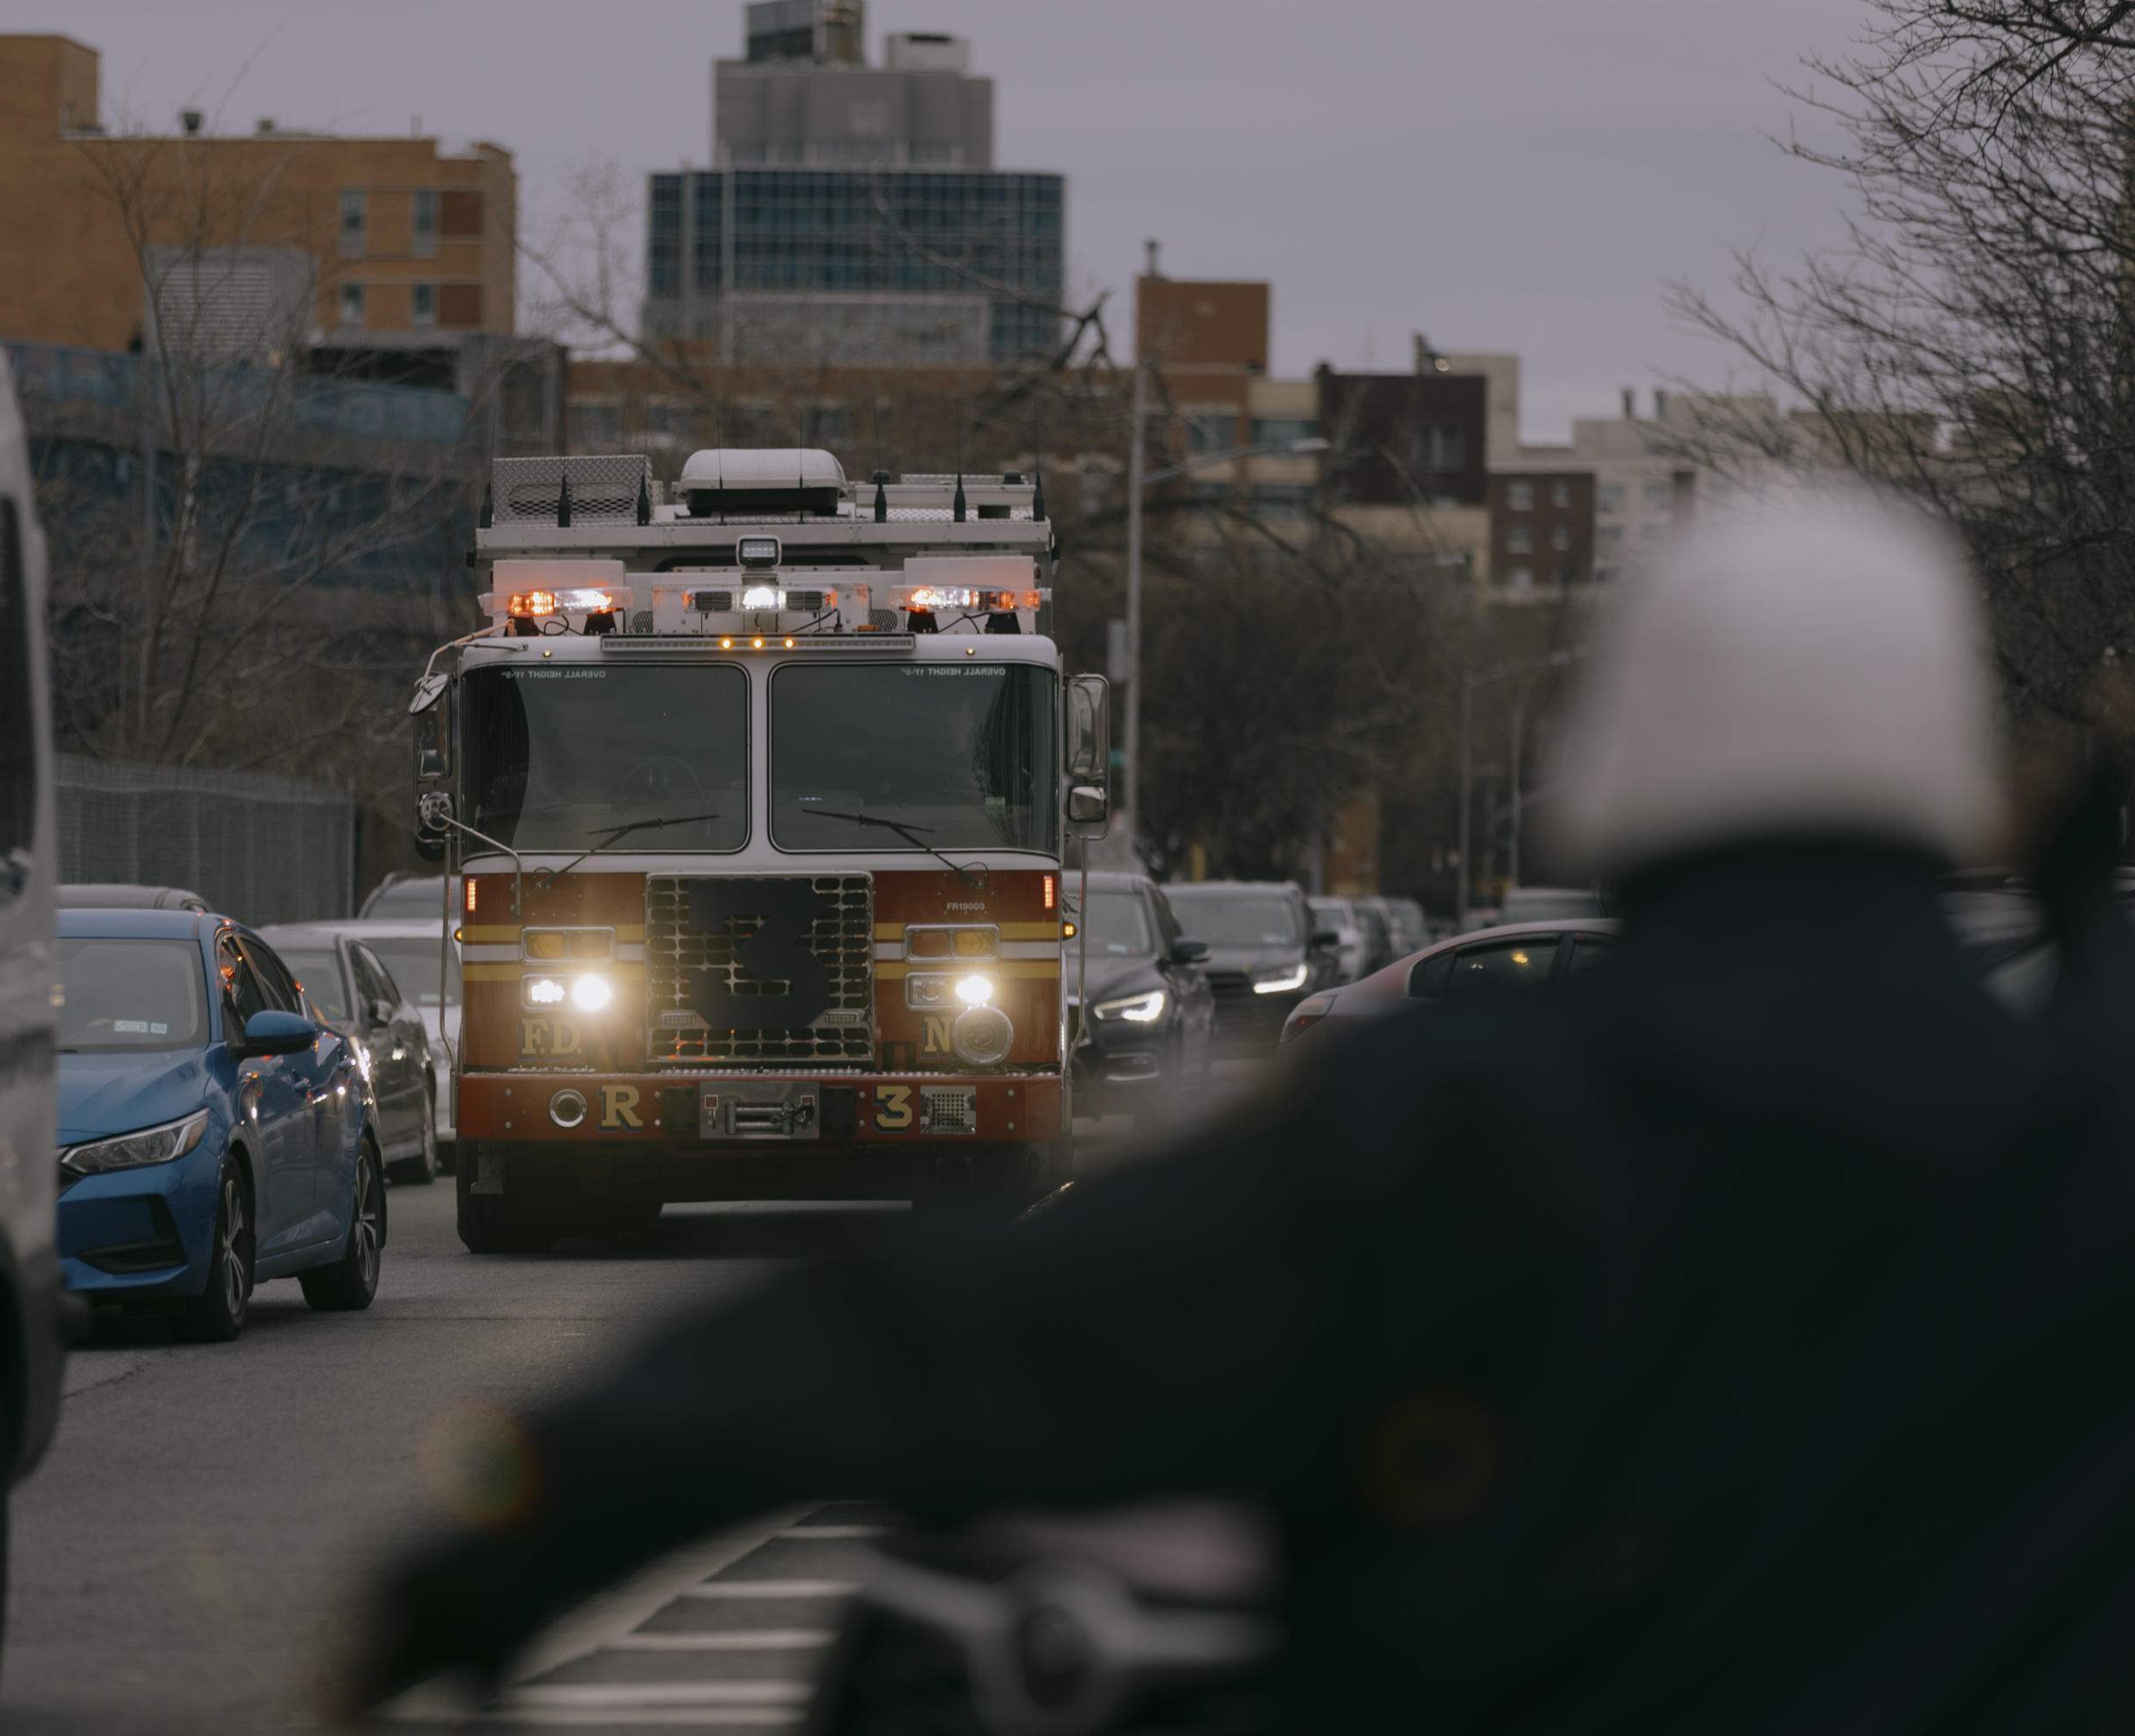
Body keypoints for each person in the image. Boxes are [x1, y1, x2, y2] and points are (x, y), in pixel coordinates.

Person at [331, 488, 2135, 1728]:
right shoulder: (2079, 1156)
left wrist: (522, 1514)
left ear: (1616, 776)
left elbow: (946, 1333)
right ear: (1969, 781)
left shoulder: (1462, 1134)